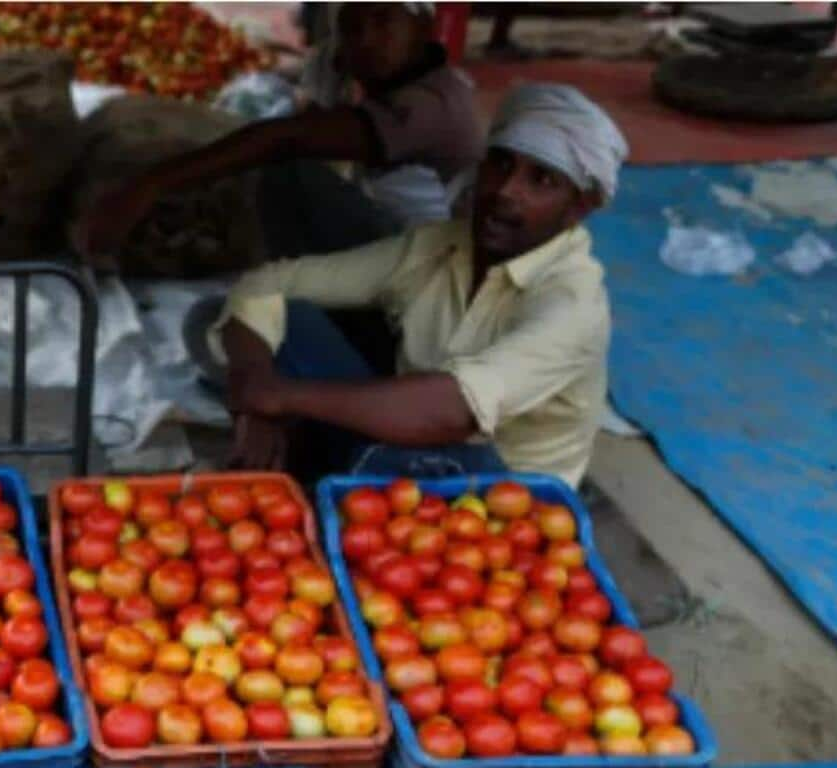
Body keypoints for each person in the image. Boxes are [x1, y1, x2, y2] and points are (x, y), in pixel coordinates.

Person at [212, 83, 628, 489]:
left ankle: (328, 475)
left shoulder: (573, 305)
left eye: (541, 180)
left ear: (579, 207)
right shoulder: (439, 246)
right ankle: (324, 470)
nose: (505, 191)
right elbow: (265, 285)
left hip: (504, 496)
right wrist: (256, 387)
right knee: (284, 318)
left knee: (371, 433)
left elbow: (454, 410)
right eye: (500, 164)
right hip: (412, 441)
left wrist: (282, 397)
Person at [78, 2, 482, 262]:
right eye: (353, 28)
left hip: (430, 266)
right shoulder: (392, 84)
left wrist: (151, 184)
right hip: (408, 248)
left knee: (288, 175)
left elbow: (288, 138)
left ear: (425, 28)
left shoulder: (433, 103)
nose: (366, 40)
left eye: (382, 20)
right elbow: (311, 113)